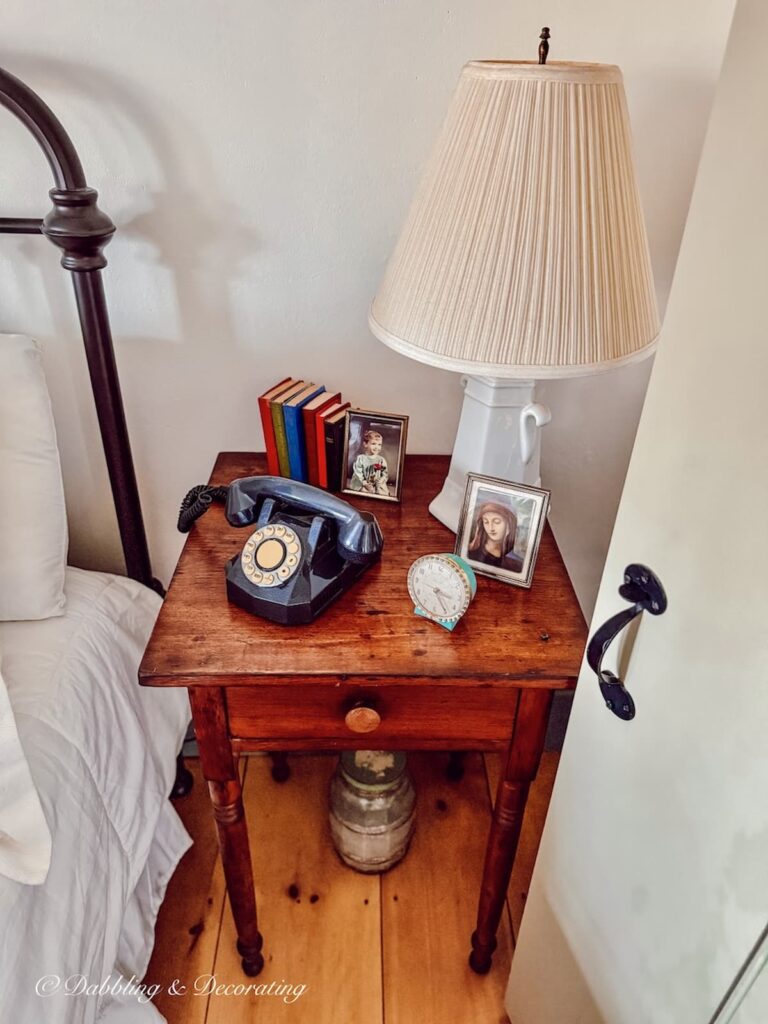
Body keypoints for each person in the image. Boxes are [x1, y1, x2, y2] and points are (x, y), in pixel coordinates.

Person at [467, 500, 523, 572]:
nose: (491, 528)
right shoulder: (470, 554)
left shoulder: (516, 564)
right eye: (486, 522)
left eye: (497, 522)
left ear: (509, 524)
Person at [348, 430, 389, 496]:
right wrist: (365, 483)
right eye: (373, 444)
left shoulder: (381, 460)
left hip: (376, 483)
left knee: (383, 493)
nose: (377, 447)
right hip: (362, 482)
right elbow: (358, 473)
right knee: (364, 491)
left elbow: (385, 473)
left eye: (379, 444)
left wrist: (381, 480)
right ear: (365, 444)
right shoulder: (360, 458)